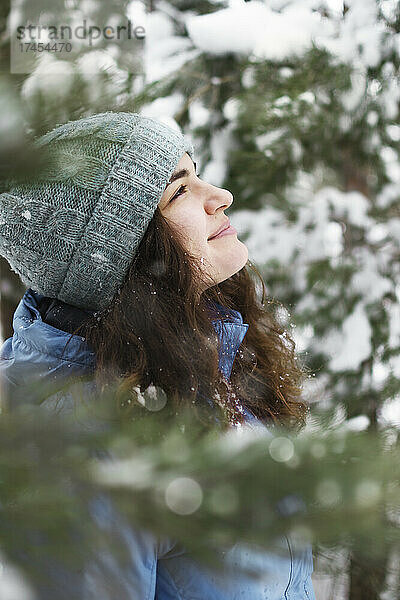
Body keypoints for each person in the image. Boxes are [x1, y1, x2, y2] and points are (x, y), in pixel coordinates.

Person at [0, 111, 316, 599]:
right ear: (124, 256)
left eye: (197, 173)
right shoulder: (85, 449)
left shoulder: (193, 351)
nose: (220, 197)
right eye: (179, 191)